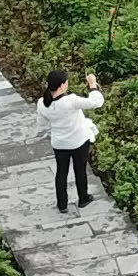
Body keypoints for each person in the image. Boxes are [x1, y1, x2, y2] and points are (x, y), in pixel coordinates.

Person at [41, 68, 104, 211]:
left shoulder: (42, 103)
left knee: (61, 172)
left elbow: (42, 125)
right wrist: (92, 85)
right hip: (78, 141)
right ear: (62, 85)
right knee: (79, 170)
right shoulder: (71, 101)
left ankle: (62, 204)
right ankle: (83, 198)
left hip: (59, 143)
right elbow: (95, 102)